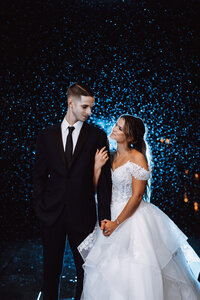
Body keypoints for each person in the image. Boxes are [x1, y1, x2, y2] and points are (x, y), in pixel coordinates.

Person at [78, 115, 200, 300]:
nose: (114, 129)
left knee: (137, 267)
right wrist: (97, 167)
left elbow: (136, 197)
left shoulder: (138, 158)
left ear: (131, 138)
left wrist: (116, 223)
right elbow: (95, 189)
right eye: (116, 125)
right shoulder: (108, 156)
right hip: (109, 213)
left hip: (131, 217)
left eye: (120, 129)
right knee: (108, 268)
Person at [33, 82, 112, 300]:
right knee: (50, 272)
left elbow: (105, 180)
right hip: (51, 214)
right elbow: (38, 176)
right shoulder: (46, 136)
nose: (89, 112)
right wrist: (41, 208)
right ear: (70, 103)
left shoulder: (97, 135)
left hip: (84, 214)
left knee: (86, 271)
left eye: (91, 107)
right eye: (85, 107)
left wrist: (105, 216)